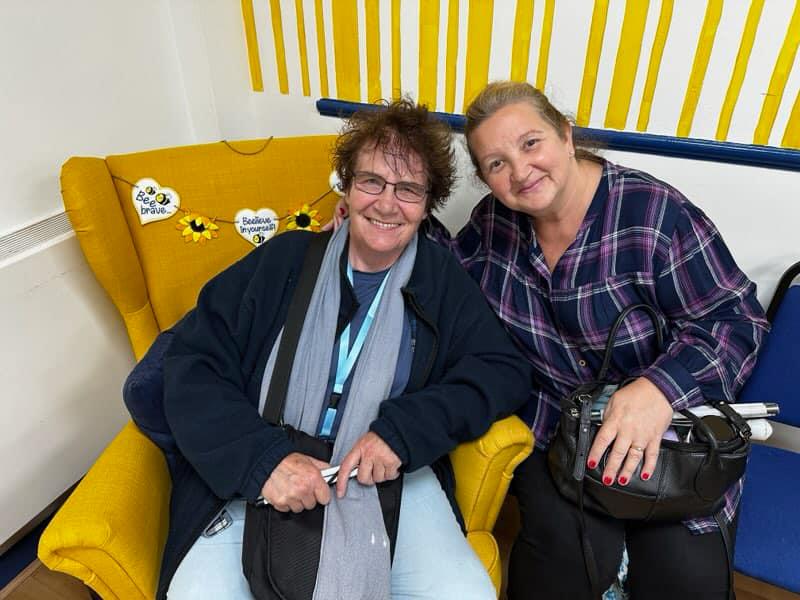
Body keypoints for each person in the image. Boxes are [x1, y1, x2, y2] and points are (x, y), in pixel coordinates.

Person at [130, 98, 532, 600]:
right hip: (260, 460)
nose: (387, 204)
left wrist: (403, 432)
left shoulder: (439, 278)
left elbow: (502, 369)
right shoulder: (284, 260)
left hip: (389, 477)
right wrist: (264, 461)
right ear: (347, 184)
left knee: (464, 594)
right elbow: (193, 363)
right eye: (372, 182)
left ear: (428, 202)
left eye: (408, 189)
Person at [432, 81, 769, 599]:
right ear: (485, 180)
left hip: (665, 438)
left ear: (566, 136)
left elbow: (737, 321)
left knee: (683, 578)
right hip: (557, 434)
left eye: (530, 143)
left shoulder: (653, 215)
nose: (520, 172)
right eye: (496, 164)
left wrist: (658, 389)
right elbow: (444, 278)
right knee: (559, 569)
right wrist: (384, 222)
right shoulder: (493, 224)